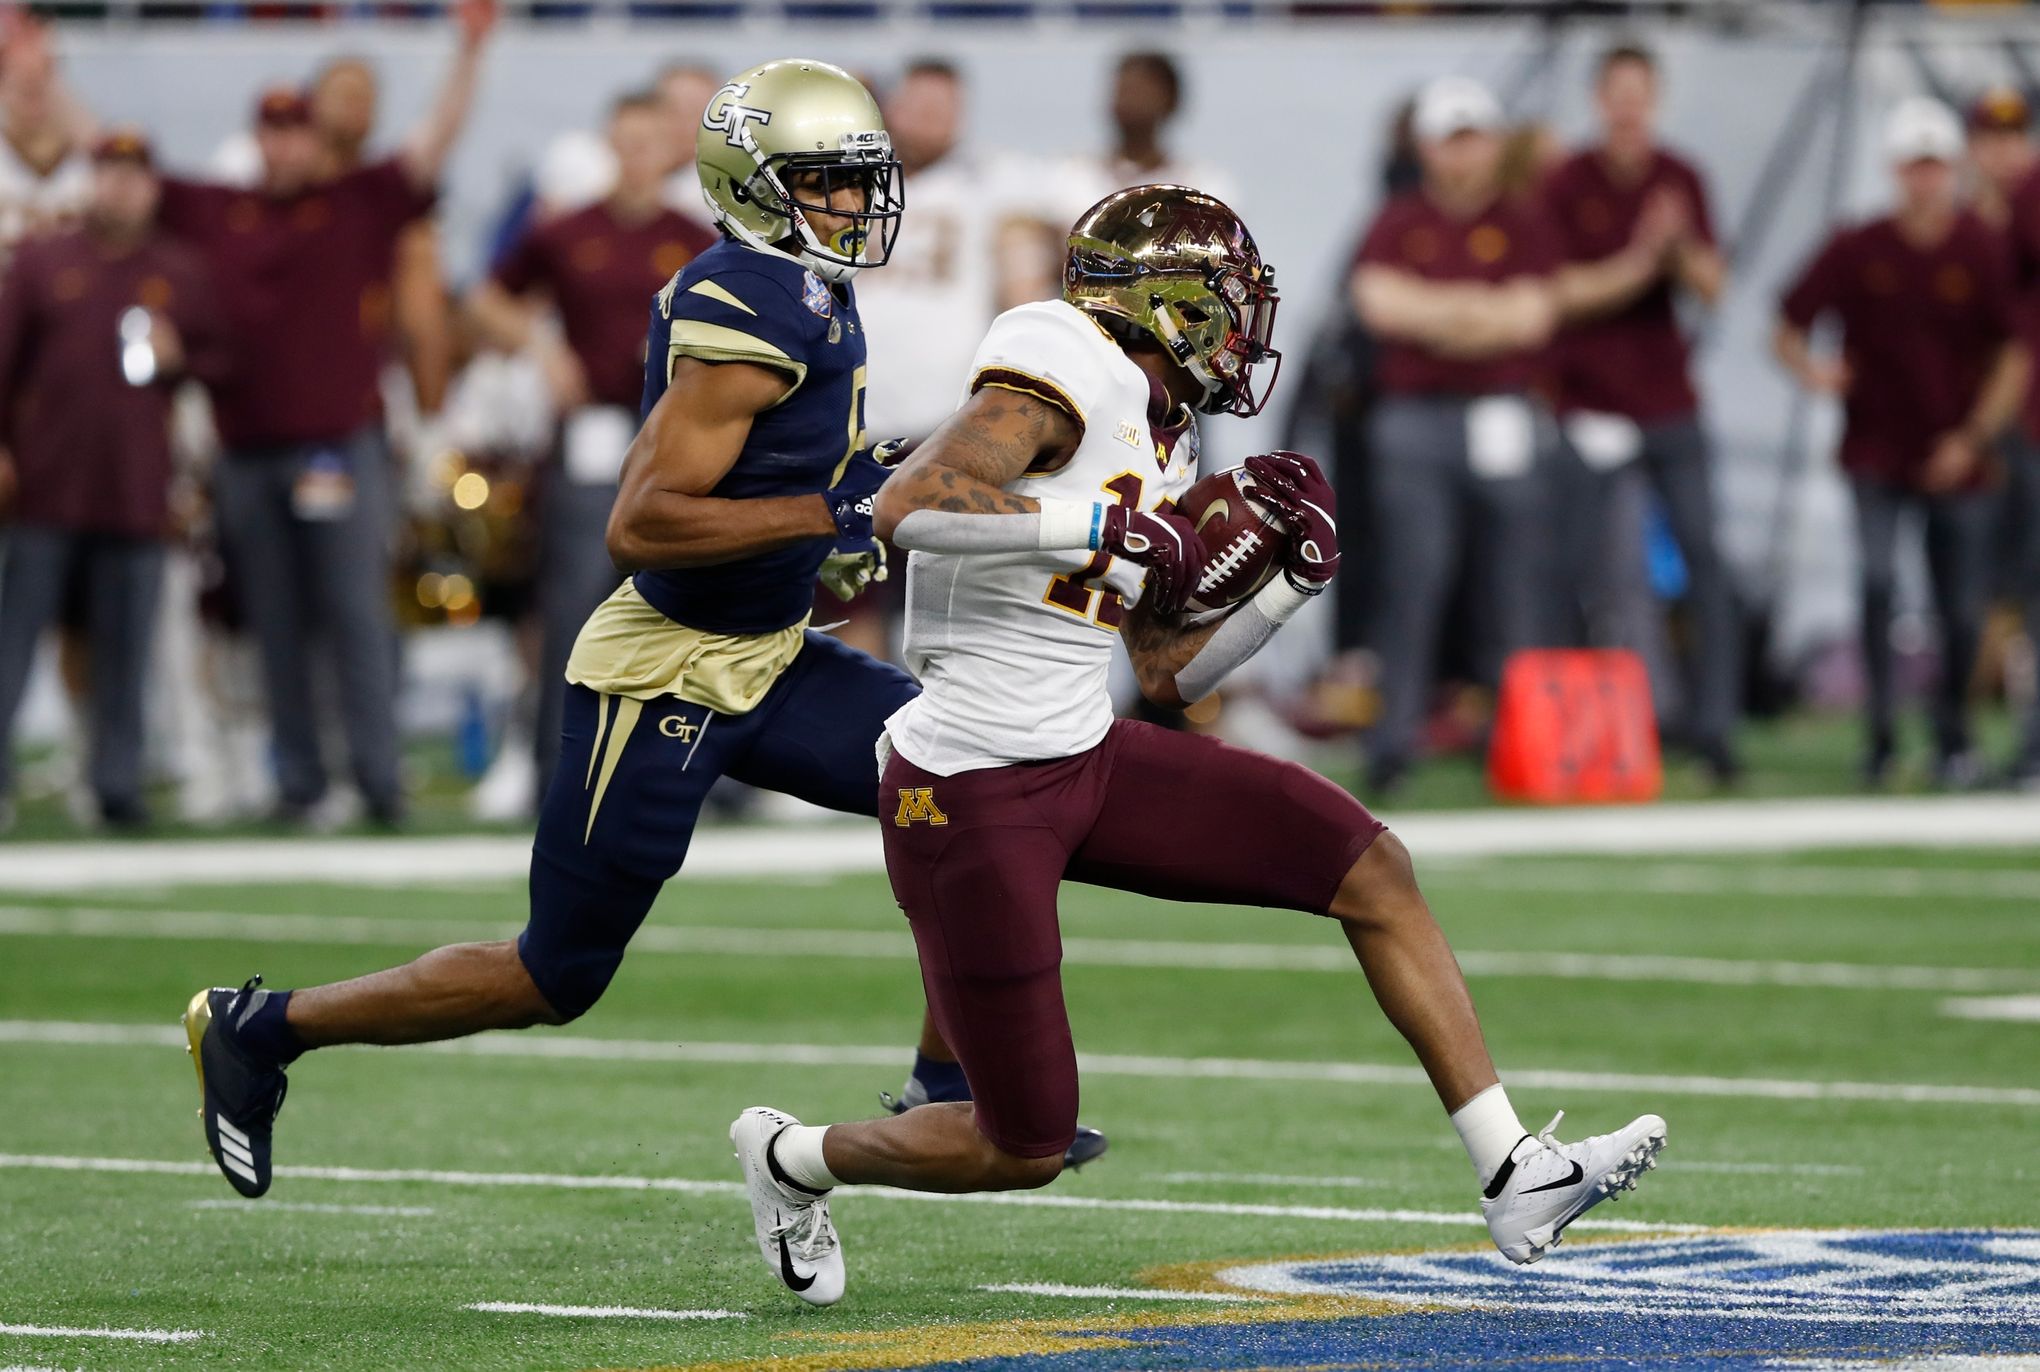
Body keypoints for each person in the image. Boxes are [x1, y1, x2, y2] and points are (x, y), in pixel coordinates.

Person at [181, 59, 1103, 1209]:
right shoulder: (751, 303)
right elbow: (643, 520)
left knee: (971, 784)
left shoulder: (806, 282)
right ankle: (264, 1029)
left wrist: (891, 479)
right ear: (756, 183)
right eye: (827, 180)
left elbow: (806, 466)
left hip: (768, 649)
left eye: (861, 179)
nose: (857, 204)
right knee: (551, 974)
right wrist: (837, 510)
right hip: (667, 671)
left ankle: (940, 1079)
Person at [725, 183, 1666, 1308]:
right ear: (1165, 302)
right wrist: (1104, 526)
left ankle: (1515, 1167)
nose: (1241, 329)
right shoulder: (1066, 355)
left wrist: (1281, 597)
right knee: (1023, 1142)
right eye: (1227, 303)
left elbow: (1167, 672)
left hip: (1086, 753)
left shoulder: (1159, 425)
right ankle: (792, 1156)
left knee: (1369, 865)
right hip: (969, 790)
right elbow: (911, 503)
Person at [144, 1, 493, 827]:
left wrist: (472, 53)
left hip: (336, 444)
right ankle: (299, 779)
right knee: (274, 620)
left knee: (352, 612)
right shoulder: (216, 208)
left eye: (296, 129)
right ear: (257, 138)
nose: (284, 144)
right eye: (272, 130)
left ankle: (377, 776)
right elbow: (115, 170)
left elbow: (435, 142)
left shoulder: (356, 201)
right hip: (246, 448)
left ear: (316, 137)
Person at [1774, 97, 2030, 789]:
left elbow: (2015, 351)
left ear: (1951, 170)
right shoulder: (1860, 246)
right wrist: (1814, 371)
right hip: (1876, 450)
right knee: (1879, 582)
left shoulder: (1981, 245)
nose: (1925, 180)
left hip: (1958, 454)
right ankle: (1882, 736)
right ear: (1895, 170)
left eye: (1935, 165)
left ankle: (1953, 737)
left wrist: (1974, 437)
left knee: (1960, 605)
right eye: (1914, 166)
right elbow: (1787, 318)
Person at [468, 90, 716, 803]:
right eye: (626, 142)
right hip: (591, 433)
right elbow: (486, 298)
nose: (638, 156)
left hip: (671, 438)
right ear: (610, 144)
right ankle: (559, 767)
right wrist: (542, 348)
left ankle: (685, 770)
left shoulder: (691, 233)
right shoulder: (569, 229)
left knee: (682, 606)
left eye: (650, 142)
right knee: (575, 603)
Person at [0, 129, 225, 831]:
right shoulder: (41, 262)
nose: (119, 188)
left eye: (132, 175)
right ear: (89, 182)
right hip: (46, 490)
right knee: (15, 642)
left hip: (134, 494)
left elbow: (222, 362)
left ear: (152, 187)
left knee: (125, 652)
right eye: (107, 173)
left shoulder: (179, 271)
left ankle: (116, 783)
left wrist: (179, 356)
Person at [1348, 77, 1564, 794]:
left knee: (1515, 582)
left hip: (1502, 411)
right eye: (1451, 139)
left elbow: (1532, 316)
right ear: (1427, 147)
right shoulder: (1397, 220)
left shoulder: (1524, 220)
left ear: (1496, 144)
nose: (1464, 154)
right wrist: (1477, 311)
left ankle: (1520, 742)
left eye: (1474, 137)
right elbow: (1378, 303)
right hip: (1416, 417)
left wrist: (1434, 312)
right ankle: (1393, 740)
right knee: (1414, 577)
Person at [1544, 44, 1740, 783]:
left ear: (1655, 100)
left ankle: (1714, 730)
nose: (1628, 108)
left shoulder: (1681, 178)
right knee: (1596, 573)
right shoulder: (1569, 181)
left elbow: (1716, 288)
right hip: (1590, 407)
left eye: (1640, 94)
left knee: (1705, 565)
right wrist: (1636, 263)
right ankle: (1608, 728)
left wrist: (1678, 245)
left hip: (1668, 403)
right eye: (1617, 93)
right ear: (1600, 98)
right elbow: (1554, 292)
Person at [1977, 88, 2040, 787]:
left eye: (2013, 137)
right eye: (1990, 138)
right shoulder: (1993, 215)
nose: (2003, 151)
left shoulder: (2026, 204)